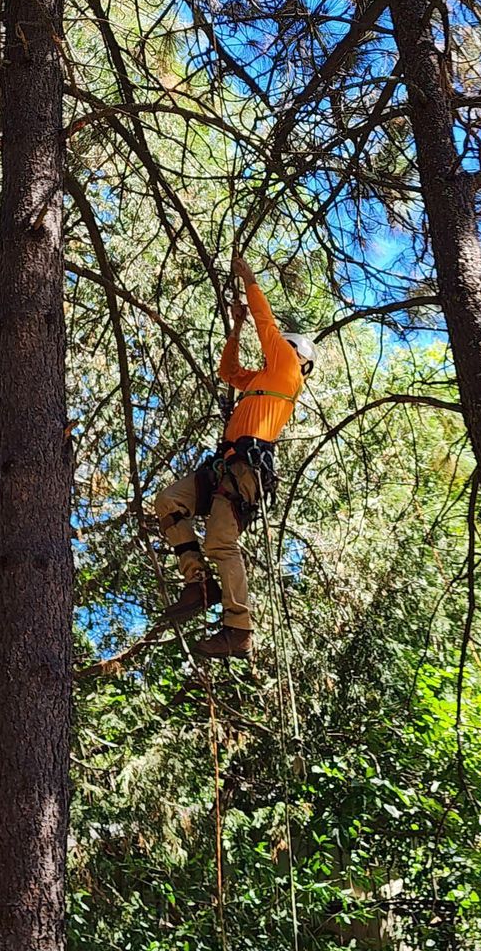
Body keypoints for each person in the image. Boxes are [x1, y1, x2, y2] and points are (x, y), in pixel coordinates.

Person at [154, 255, 317, 659]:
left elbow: (269, 329)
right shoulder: (263, 379)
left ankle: (239, 628)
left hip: (247, 468)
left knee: (221, 543)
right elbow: (229, 372)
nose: (277, 350)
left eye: (285, 348)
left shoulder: (287, 372)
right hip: (223, 465)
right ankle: (199, 583)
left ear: (298, 356)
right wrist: (238, 326)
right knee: (169, 501)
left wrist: (251, 282)